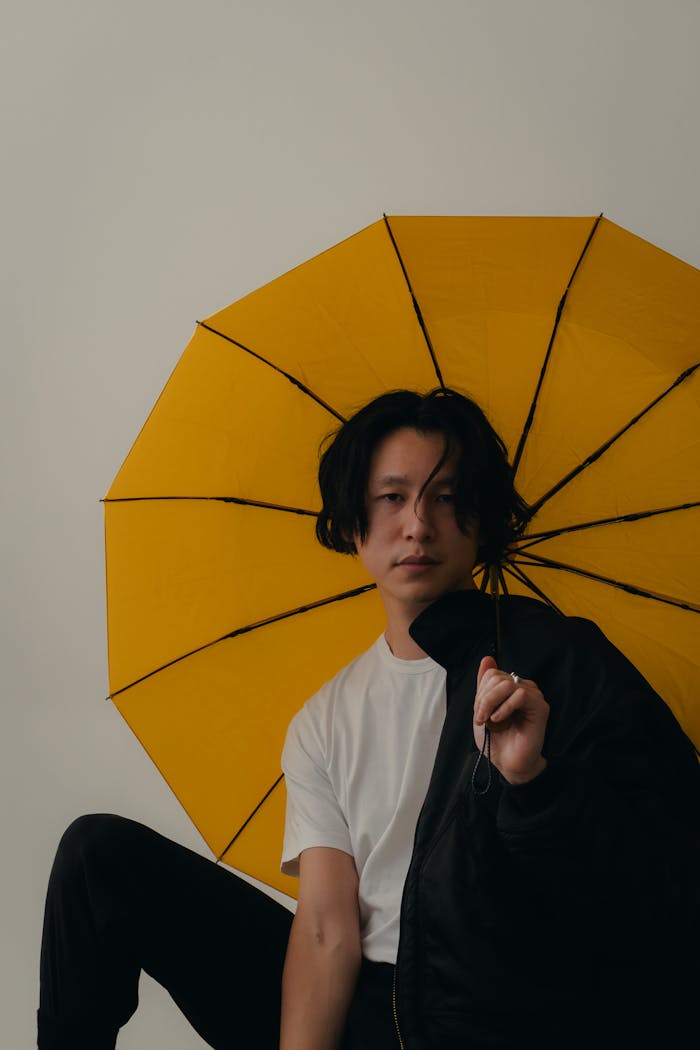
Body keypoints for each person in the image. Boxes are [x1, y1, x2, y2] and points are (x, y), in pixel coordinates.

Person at [38, 388, 698, 1050]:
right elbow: (327, 928)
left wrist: (536, 783)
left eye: (444, 497)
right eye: (391, 498)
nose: (417, 524)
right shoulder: (326, 720)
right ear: (354, 524)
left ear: (481, 520)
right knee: (100, 857)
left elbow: (659, 877)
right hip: (372, 1014)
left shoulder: (562, 662)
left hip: (507, 1010)